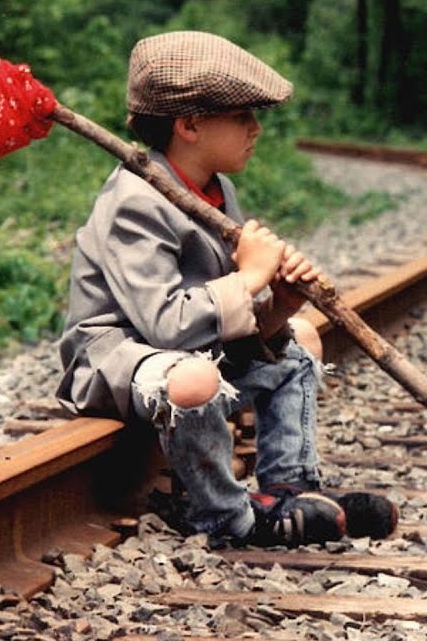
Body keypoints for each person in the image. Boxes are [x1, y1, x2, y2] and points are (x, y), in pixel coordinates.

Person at [56, 30, 396, 548]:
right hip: (119, 358)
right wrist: (249, 277)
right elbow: (166, 324)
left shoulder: (217, 186)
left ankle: (290, 487)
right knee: (194, 381)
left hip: (190, 353)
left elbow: (219, 319)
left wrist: (278, 307)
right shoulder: (134, 200)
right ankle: (225, 516)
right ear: (189, 124)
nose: (256, 129)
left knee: (300, 341)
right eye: (242, 117)